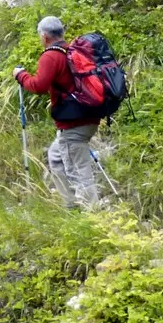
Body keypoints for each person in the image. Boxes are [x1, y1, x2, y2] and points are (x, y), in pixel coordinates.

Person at [15, 15, 100, 208]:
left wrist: (20, 75)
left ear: (44, 37)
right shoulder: (73, 51)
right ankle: (70, 205)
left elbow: (38, 86)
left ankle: (93, 218)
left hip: (74, 124)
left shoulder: (51, 55)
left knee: (78, 172)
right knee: (56, 157)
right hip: (89, 117)